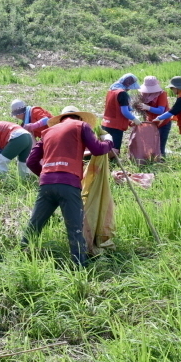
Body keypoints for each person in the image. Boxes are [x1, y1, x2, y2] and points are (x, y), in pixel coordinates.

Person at [21, 107, 115, 266]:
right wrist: (109, 140)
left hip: (46, 185)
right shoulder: (81, 126)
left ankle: (20, 257)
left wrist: (47, 175)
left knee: (34, 225)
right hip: (69, 184)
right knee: (75, 230)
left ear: (61, 119)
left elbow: (30, 161)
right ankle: (80, 269)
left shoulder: (47, 133)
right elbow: (98, 149)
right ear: (79, 118)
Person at [101, 73, 140, 151]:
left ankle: (103, 163)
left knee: (105, 148)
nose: (129, 89)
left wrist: (128, 122)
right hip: (115, 126)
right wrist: (134, 119)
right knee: (114, 150)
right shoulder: (122, 94)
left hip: (105, 123)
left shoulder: (111, 91)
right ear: (128, 84)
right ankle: (111, 162)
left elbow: (115, 110)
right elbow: (124, 112)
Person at [137, 76, 171, 156]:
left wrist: (147, 107)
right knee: (150, 143)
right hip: (151, 122)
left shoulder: (162, 94)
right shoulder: (143, 94)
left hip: (163, 122)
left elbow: (160, 110)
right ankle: (151, 159)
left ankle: (161, 160)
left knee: (160, 145)